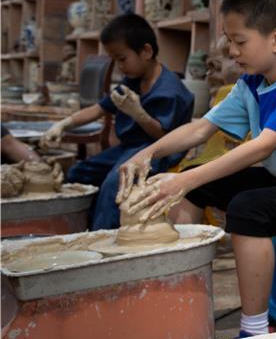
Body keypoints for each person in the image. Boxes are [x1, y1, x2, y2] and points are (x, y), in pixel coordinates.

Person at [118, 0, 276, 338]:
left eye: (240, 41)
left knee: (247, 208)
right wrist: (148, 153)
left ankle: (253, 330)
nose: (232, 51)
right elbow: (201, 129)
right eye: (229, 41)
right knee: (197, 183)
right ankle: (183, 294)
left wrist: (181, 181)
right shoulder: (251, 84)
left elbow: (262, 147)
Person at [41, 14, 194, 230]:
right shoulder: (132, 81)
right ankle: (83, 227)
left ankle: (102, 236)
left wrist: (139, 114)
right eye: (114, 60)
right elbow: (99, 109)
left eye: (122, 59)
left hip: (158, 152)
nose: (119, 66)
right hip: (129, 148)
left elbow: (166, 137)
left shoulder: (170, 90)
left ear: (146, 51)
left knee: (114, 184)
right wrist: (63, 124)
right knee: (78, 173)